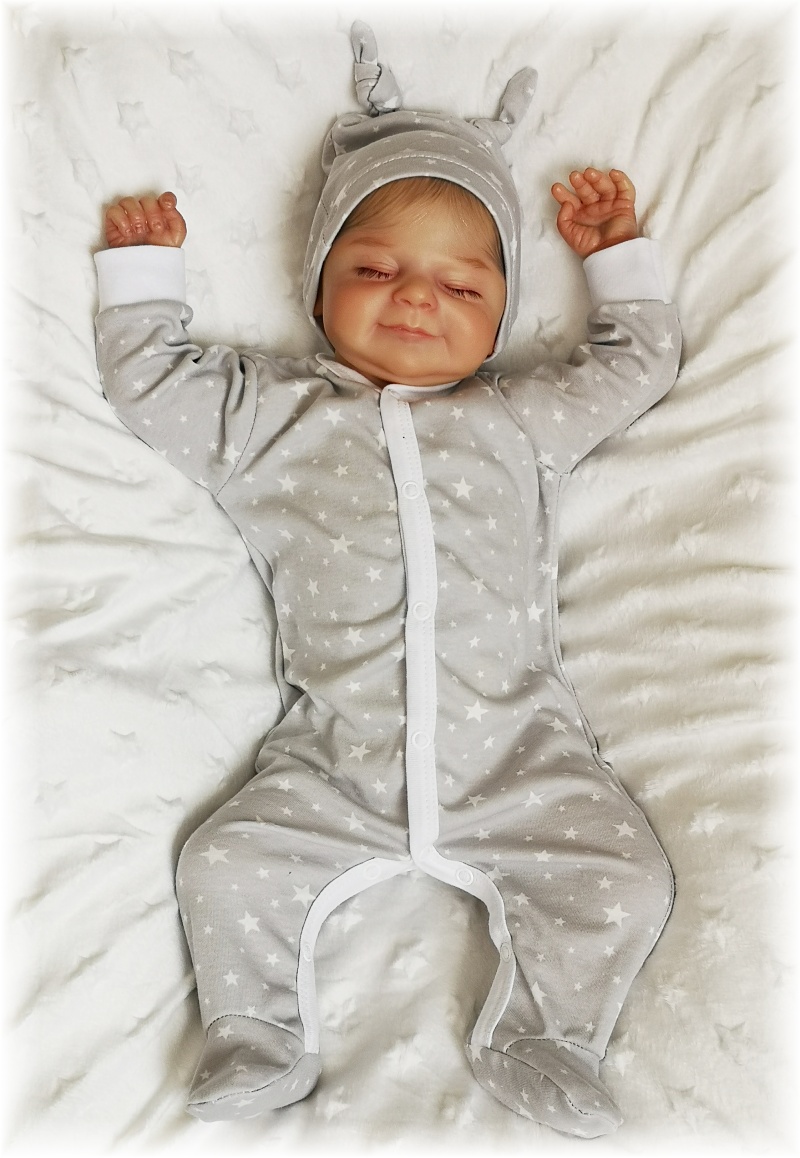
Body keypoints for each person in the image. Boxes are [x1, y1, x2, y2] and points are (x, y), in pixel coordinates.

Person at [94, 22, 680, 1138]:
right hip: (334, 759)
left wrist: (617, 255)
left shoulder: (517, 420)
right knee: (224, 865)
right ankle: (255, 1032)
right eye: (373, 270)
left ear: (499, 316)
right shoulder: (269, 419)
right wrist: (142, 278)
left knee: (621, 875)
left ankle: (550, 1037)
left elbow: (637, 363)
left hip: (518, 752)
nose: (415, 297)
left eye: (461, 284)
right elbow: (152, 384)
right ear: (317, 285)